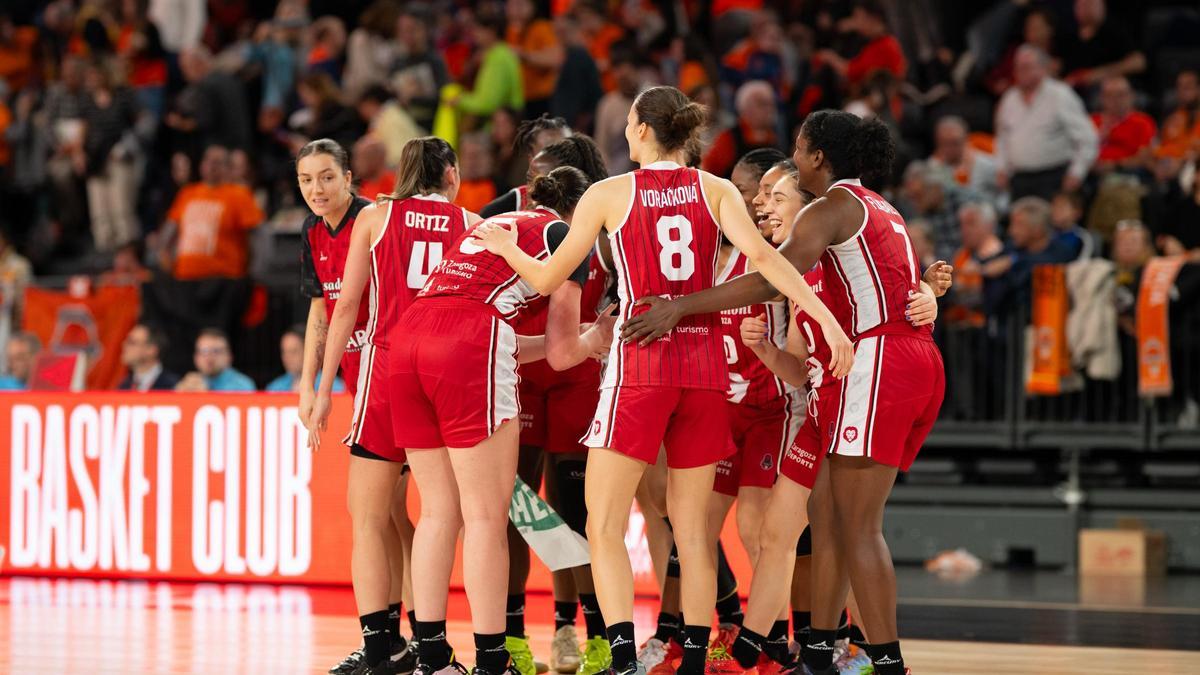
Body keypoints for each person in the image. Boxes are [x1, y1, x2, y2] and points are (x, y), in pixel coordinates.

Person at [473, 86, 854, 675]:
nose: (625, 130)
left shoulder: (608, 192)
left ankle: (623, 657)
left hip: (641, 368)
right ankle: (697, 661)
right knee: (693, 532)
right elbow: (771, 262)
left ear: (643, 130)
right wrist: (826, 320)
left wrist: (506, 245)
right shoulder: (718, 188)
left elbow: (548, 278)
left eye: (628, 121)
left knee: (603, 521)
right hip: (704, 372)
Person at [617, 109, 952, 675]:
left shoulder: (831, 207)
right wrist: (929, 292)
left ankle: (884, 662)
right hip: (900, 363)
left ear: (818, 157)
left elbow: (774, 274)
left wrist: (680, 306)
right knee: (827, 520)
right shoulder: (880, 207)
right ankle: (818, 650)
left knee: (856, 527)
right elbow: (889, 286)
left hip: (873, 364)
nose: (791, 162)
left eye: (797, 152)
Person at [316, 165, 611, 675]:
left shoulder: (490, 226)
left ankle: (432, 656)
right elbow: (563, 356)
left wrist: (574, 340)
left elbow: (498, 337)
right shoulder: (567, 237)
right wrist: (595, 339)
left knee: (437, 511)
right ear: (582, 210)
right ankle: (493, 660)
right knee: (485, 517)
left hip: (408, 343)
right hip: (470, 344)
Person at [306, 137, 474, 675]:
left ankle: (381, 646)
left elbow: (347, 306)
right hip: (447, 379)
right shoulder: (471, 222)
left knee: (369, 519)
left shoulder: (375, 218)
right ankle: (433, 649)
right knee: (441, 517)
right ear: (451, 175)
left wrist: (321, 387)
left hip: (385, 376)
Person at [477, 135, 610, 675]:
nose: (538, 174)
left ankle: (582, 633)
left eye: (550, 165)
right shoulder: (510, 218)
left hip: (576, 371)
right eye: (536, 163)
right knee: (519, 510)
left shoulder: (605, 221)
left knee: (575, 514)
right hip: (521, 370)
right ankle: (513, 638)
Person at [994, 45, 1098, 201]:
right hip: (1020, 179)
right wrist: (1002, 167)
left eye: (1027, 67)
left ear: (1043, 69)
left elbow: (1088, 138)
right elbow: (1002, 137)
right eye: (1018, 67)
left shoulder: (1060, 95)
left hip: (1054, 177)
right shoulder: (1009, 99)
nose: (1021, 72)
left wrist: (1077, 172)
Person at [157, 144, 264, 280]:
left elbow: (258, 237)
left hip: (225, 278)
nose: (211, 166)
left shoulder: (239, 195)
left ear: (228, 168)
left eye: (217, 162)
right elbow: (170, 231)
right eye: (207, 160)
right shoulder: (187, 193)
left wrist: (255, 272)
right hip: (186, 277)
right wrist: (163, 254)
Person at [480, 114, 572, 218]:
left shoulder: (587, 199)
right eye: (549, 155)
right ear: (531, 158)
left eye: (565, 153)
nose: (558, 161)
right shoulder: (499, 211)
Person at [701, 80, 781, 179]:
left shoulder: (775, 137)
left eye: (771, 104)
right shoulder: (728, 139)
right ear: (745, 107)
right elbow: (708, 171)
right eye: (762, 104)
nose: (769, 109)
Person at [926, 116, 1003, 211]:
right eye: (944, 143)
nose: (949, 149)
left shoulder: (986, 165)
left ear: (966, 140)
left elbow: (1003, 193)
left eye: (954, 143)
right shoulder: (933, 168)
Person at [506, 0, 563, 120]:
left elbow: (555, 58)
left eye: (521, 4)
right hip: (522, 98)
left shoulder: (541, 27)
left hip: (544, 97)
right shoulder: (513, 30)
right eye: (513, 4)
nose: (517, 8)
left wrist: (525, 56)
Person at [1091, 76, 1157, 176]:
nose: (1115, 100)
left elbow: (1145, 158)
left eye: (1121, 95)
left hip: (1126, 173)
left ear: (1131, 96)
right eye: (1110, 95)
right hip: (1091, 172)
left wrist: (1115, 165)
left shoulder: (1143, 122)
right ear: (1102, 98)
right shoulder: (1091, 122)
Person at [266, 324, 344, 393]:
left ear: (308, 352)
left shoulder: (334, 387)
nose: (287, 358)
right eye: (284, 352)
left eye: (293, 351)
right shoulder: (274, 388)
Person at [175, 328, 255, 392]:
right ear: (195, 357)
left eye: (216, 351)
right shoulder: (190, 383)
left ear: (229, 357)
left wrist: (205, 396)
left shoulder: (242, 385)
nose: (209, 357)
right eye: (204, 351)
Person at [117, 323, 180, 391]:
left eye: (132, 342)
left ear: (151, 350)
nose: (124, 345)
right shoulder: (123, 387)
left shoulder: (173, 386)